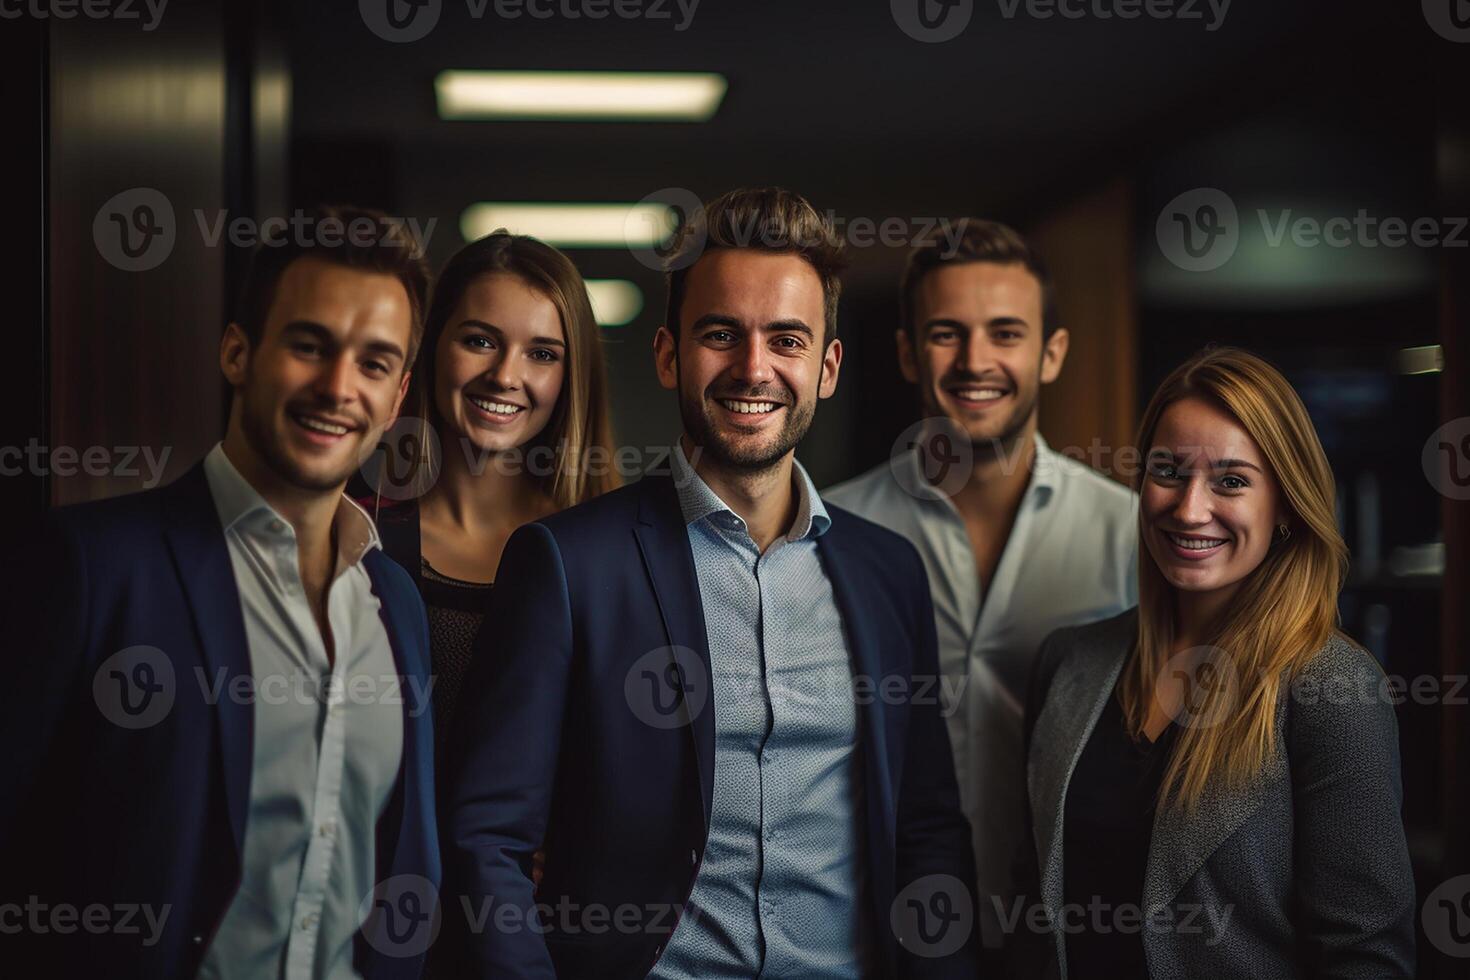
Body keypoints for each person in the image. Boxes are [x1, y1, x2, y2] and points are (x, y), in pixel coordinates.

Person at [444, 187, 979, 978]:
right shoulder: (566, 563)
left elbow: (928, 828)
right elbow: (488, 837)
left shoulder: (889, 573)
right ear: (669, 354)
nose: (753, 368)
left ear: (827, 367)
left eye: (787, 339)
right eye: (721, 333)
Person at [0, 206, 441, 979]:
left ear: (398, 394)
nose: (339, 387)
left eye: (374, 363)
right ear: (238, 351)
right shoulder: (90, 568)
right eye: (310, 345)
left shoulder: (394, 601)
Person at [1013, 347, 1416, 978]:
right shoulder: (1069, 662)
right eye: (1168, 471)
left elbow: (1365, 956)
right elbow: (1031, 907)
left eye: (1230, 481)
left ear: (1284, 505)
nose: (1189, 507)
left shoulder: (1331, 687)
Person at [825, 219, 1137, 952]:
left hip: (1073, 939)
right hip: (881, 938)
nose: (975, 361)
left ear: (1051, 353)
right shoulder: (832, 530)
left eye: (1005, 333)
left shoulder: (1130, 536)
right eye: (945, 333)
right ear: (907, 352)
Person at [359, 231, 617, 757]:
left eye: (542, 354)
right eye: (479, 340)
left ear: (572, 377)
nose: (505, 376)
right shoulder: (355, 538)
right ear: (432, 347)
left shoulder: (608, 553)